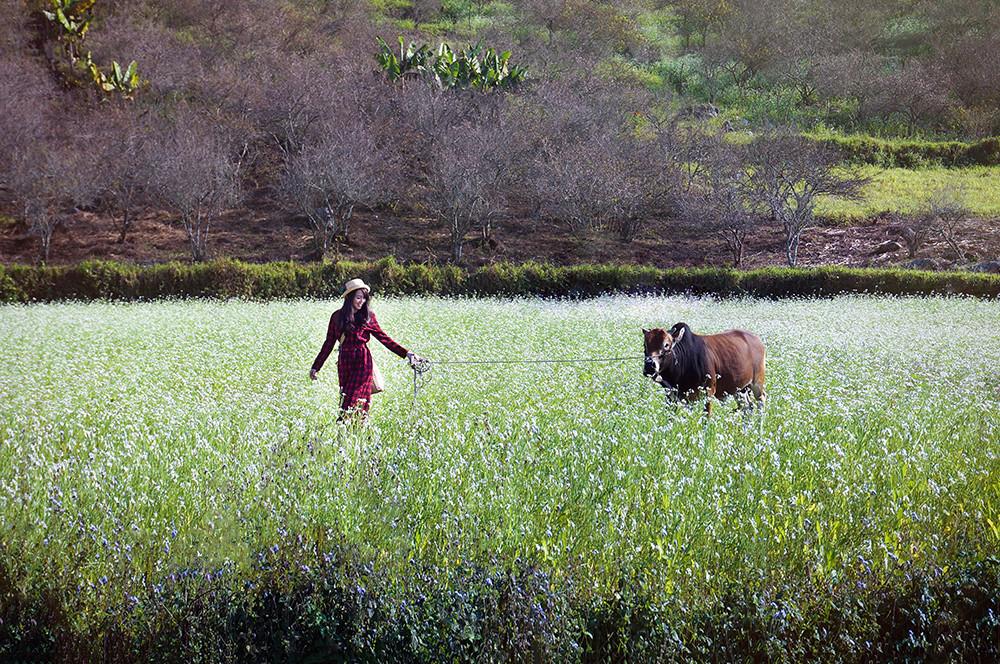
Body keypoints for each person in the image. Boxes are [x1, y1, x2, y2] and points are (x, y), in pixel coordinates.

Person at [310, 278, 420, 421]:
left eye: (363, 298)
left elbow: (384, 338)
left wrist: (407, 353)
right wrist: (316, 366)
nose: (361, 302)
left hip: (362, 361)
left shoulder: (368, 316)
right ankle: (354, 433)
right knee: (346, 398)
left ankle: (346, 428)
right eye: (358, 298)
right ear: (349, 298)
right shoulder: (337, 317)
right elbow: (329, 343)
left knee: (353, 400)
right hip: (344, 362)